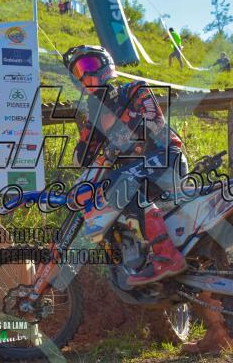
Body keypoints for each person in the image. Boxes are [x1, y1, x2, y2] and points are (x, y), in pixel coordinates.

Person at [62, 45, 188, 286]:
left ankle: (167, 255)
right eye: (78, 72)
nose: (84, 76)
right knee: (107, 192)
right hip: (139, 172)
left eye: (88, 66)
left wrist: (117, 140)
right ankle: (137, 258)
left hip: (166, 157)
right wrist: (91, 127)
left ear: (105, 65)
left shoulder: (134, 90)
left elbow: (155, 124)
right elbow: (81, 157)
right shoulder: (96, 113)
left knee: (118, 183)